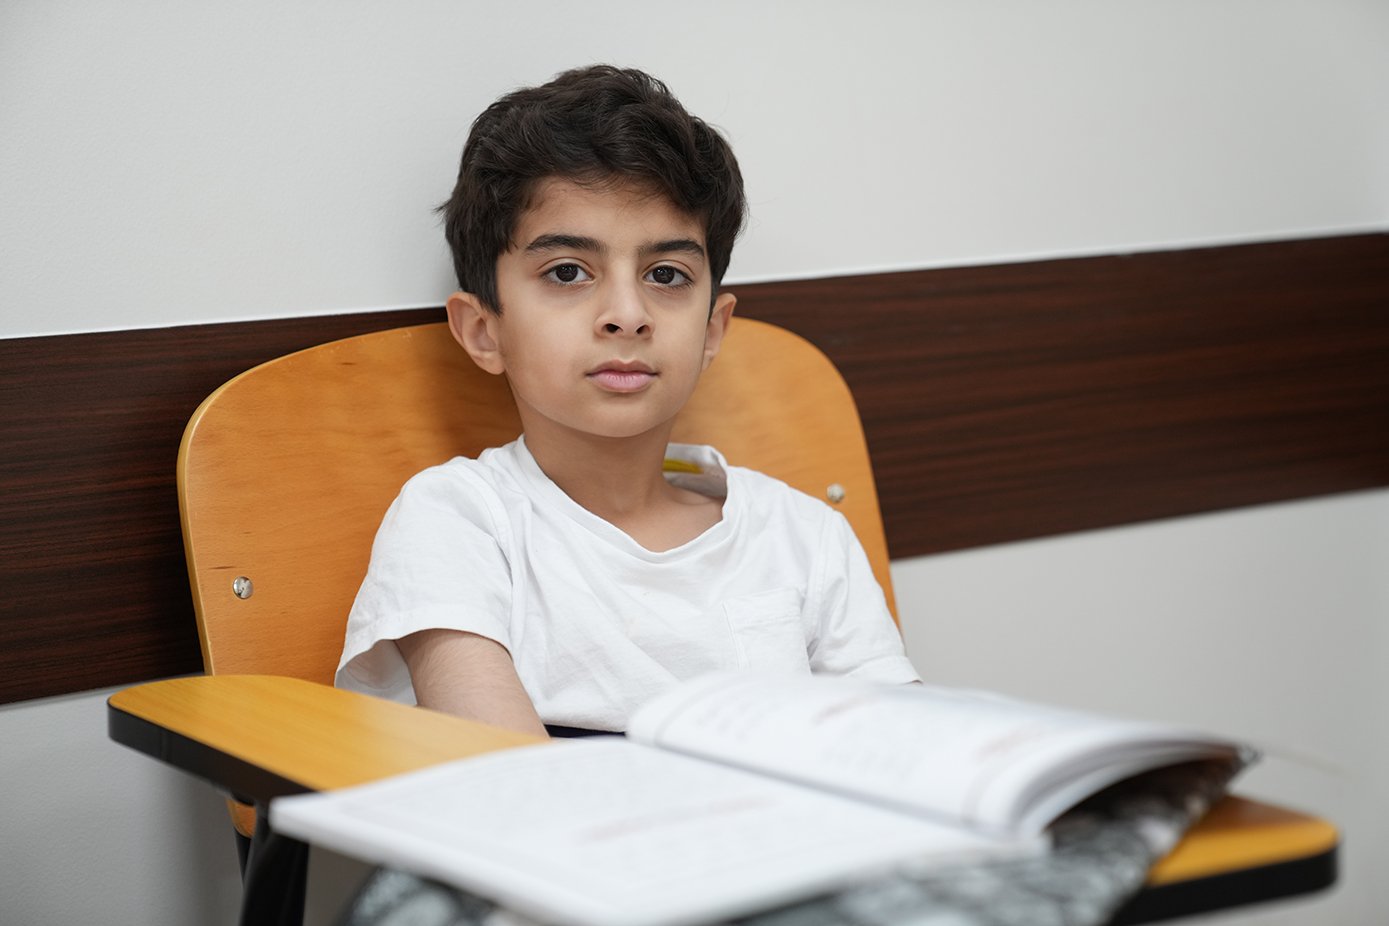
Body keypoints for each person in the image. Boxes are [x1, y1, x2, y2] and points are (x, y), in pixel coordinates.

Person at [336, 65, 919, 737]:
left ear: (711, 331)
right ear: (483, 331)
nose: (627, 314)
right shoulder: (459, 522)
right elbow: (504, 777)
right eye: (567, 272)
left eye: (666, 274)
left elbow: (907, 753)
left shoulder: (804, 537)